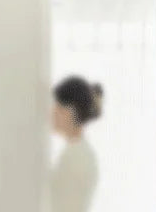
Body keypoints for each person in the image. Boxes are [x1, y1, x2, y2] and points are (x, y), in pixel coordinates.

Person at [50, 76, 103, 212]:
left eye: (56, 108)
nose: (51, 114)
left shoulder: (77, 155)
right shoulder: (78, 151)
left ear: (68, 111)